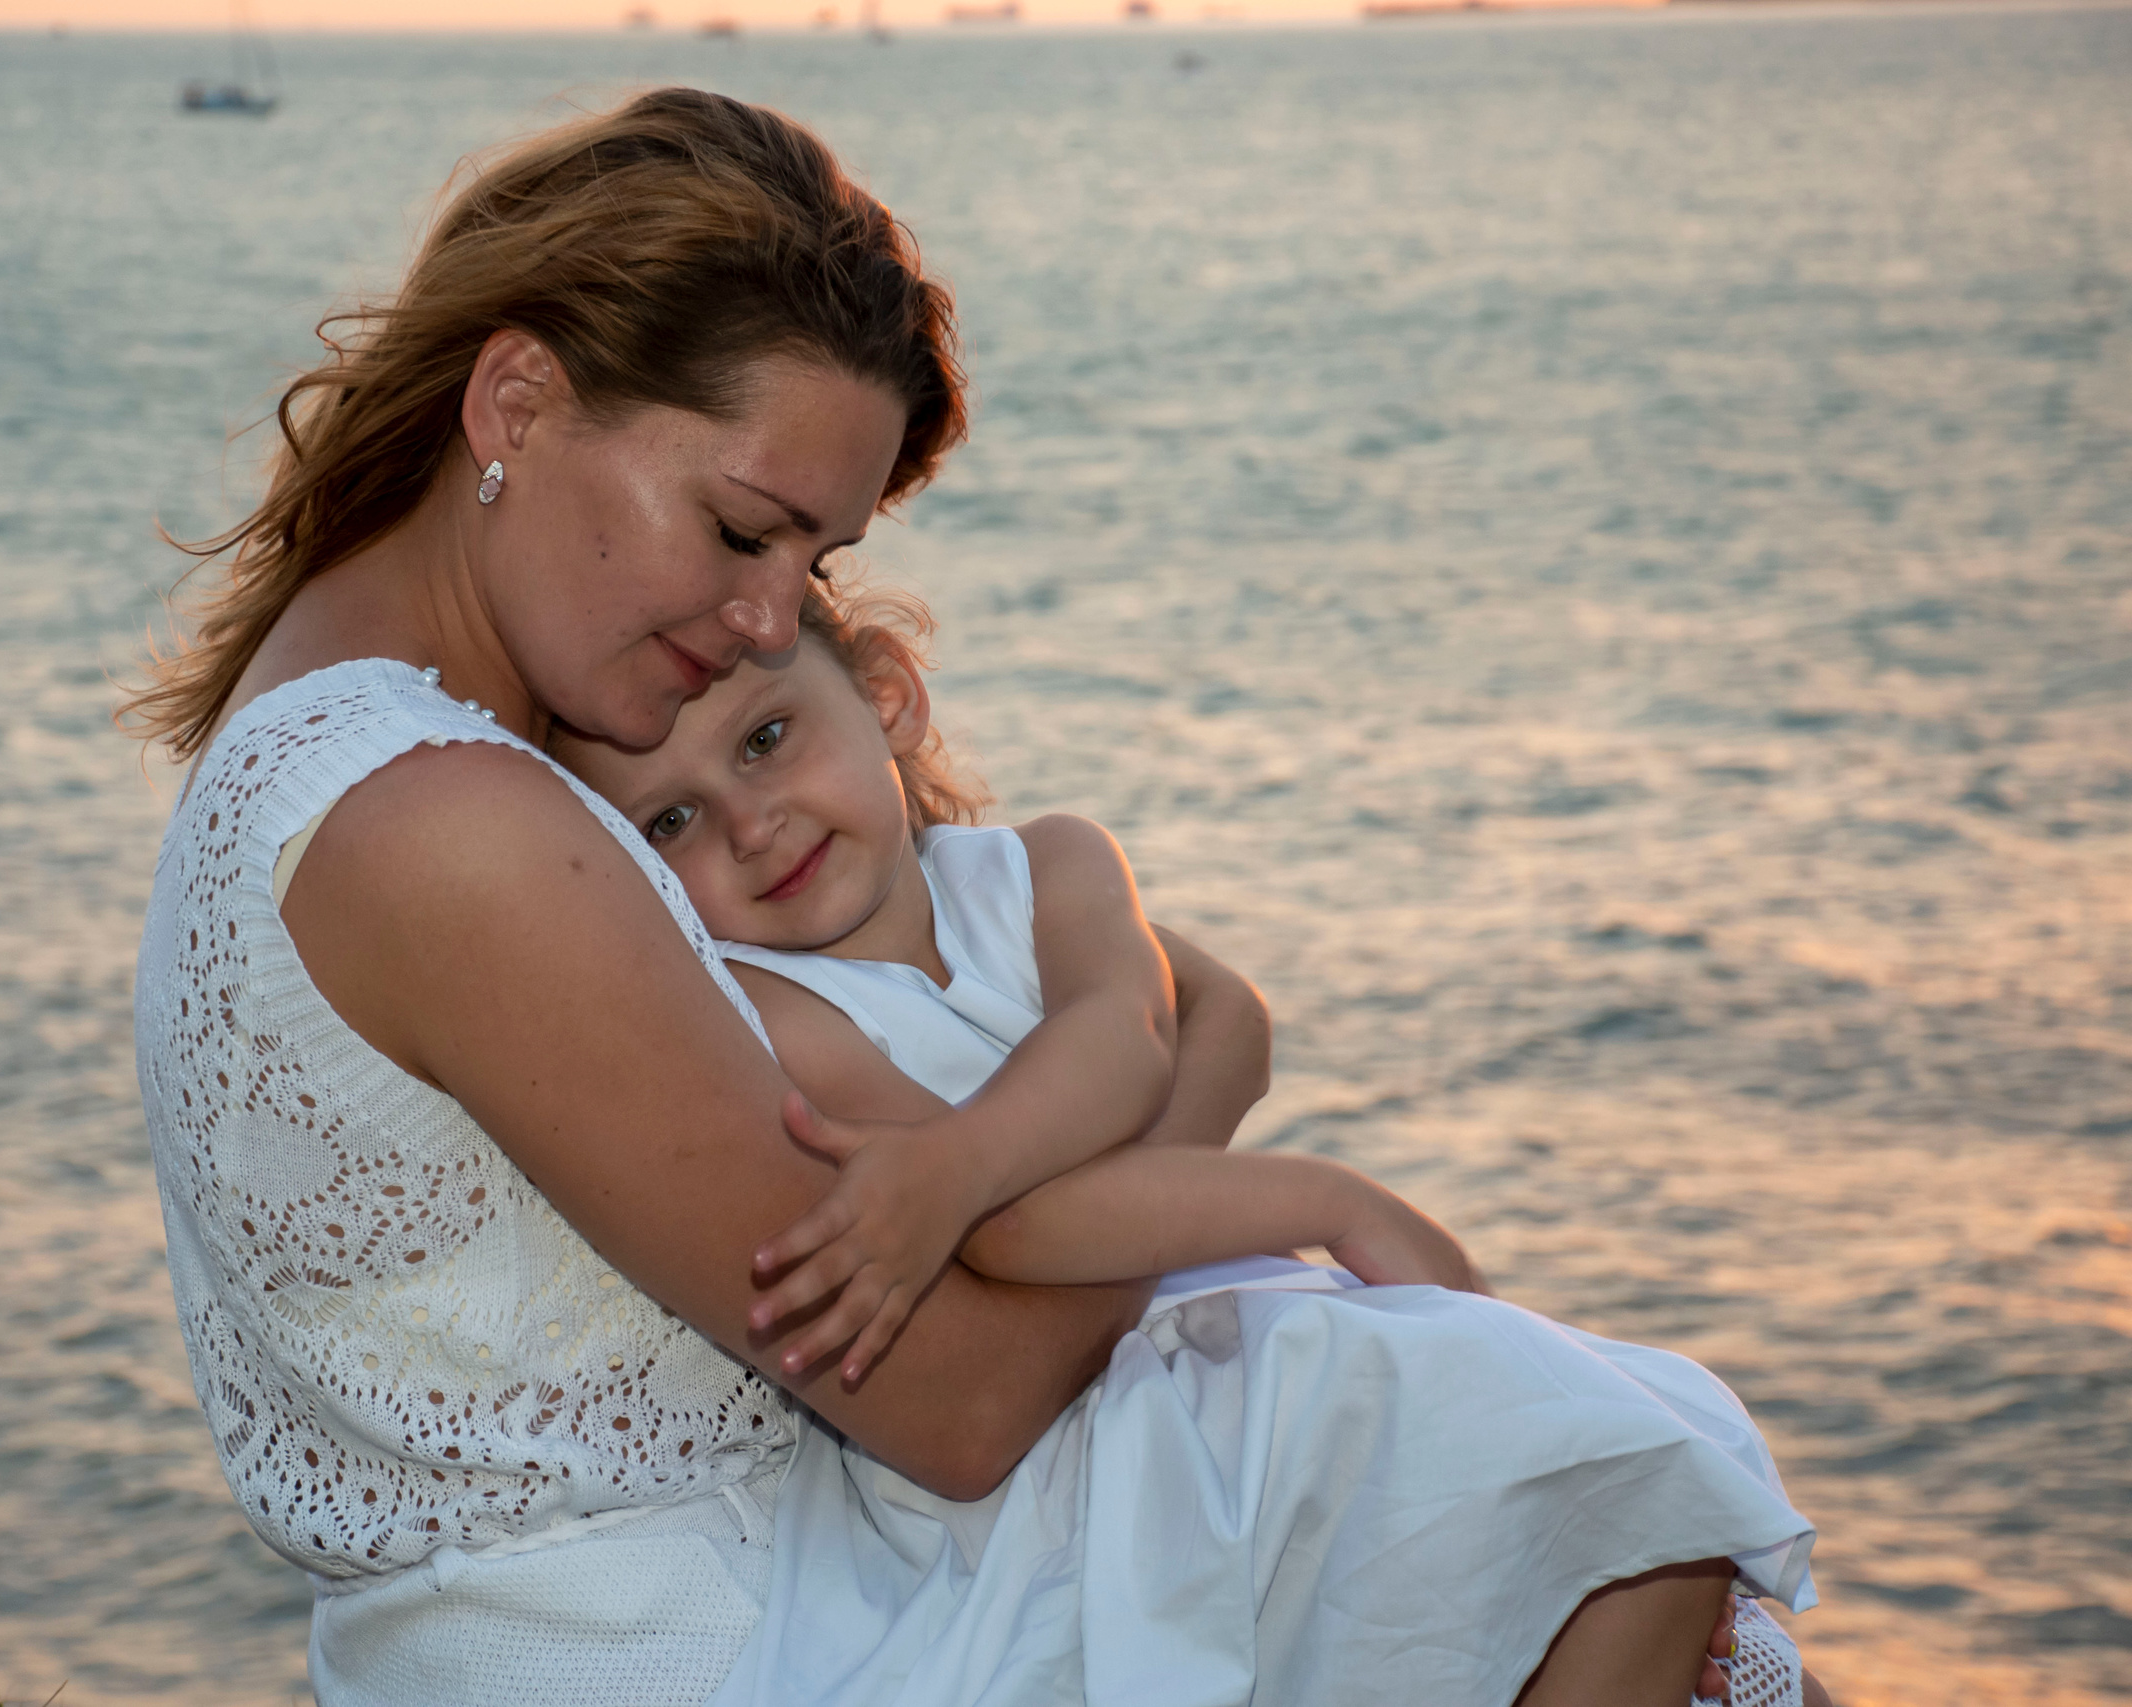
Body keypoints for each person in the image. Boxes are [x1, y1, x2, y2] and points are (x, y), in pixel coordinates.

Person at [126, 86, 1815, 1705]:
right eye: (737, 529)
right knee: (1581, 1490)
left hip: (805, 1599)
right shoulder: (453, 827)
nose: (770, 619)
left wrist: (1157, 1051)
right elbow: (956, 1404)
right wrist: (1210, 1098)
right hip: (729, 1655)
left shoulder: (367, 743)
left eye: (818, 561)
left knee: (1598, 1537)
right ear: (516, 405)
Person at [552, 580, 1831, 1706]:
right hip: (1065, 1462)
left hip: (1209, 1346)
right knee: (1583, 1461)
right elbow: (1014, 1235)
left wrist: (964, 1163)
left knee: (1637, 1484)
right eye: (669, 823)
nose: (749, 823)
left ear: (887, 698)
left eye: (767, 741)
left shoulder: (1045, 865)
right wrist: (1317, 1196)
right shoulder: (776, 1015)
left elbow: (1131, 1035)